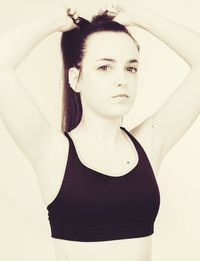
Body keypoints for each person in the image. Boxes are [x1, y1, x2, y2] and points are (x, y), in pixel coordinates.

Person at [0, 1, 200, 261]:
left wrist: (140, 17)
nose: (122, 79)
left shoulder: (149, 144)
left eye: (131, 68)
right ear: (75, 78)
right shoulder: (53, 151)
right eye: (105, 67)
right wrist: (51, 22)